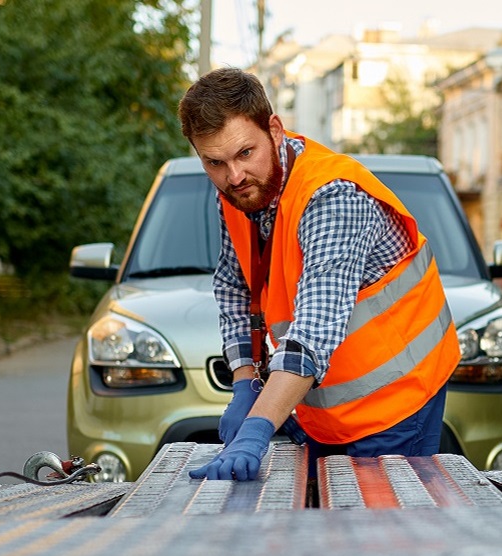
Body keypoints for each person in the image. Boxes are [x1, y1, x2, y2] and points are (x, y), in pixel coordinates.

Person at [180, 68, 459, 481]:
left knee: (382, 538)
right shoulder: (239, 190)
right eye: (214, 162)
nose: (233, 176)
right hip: (320, 407)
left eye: (244, 153)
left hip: (396, 403)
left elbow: (314, 328)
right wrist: (245, 382)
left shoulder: (332, 196)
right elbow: (236, 287)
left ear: (274, 130)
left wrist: (257, 427)